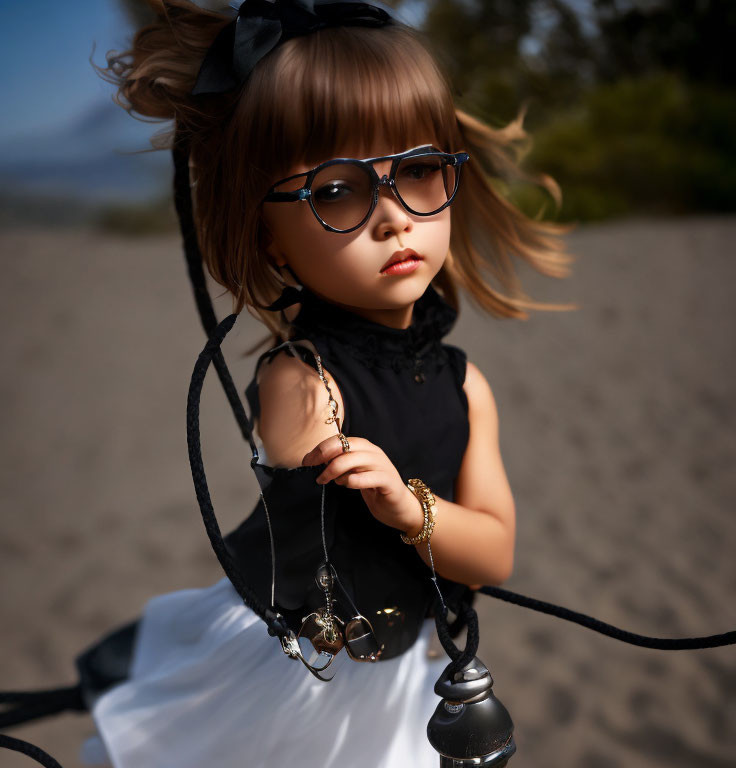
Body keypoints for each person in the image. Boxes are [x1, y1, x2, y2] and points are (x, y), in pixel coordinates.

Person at [77, 1, 577, 765]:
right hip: (312, 676)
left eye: (417, 171)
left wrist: (407, 507)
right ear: (265, 234)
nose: (393, 218)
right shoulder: (303, 382)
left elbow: (496, 554)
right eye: (336, 191)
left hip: (407, 667)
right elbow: (319, 559)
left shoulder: (464, 380)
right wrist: (377, 503)